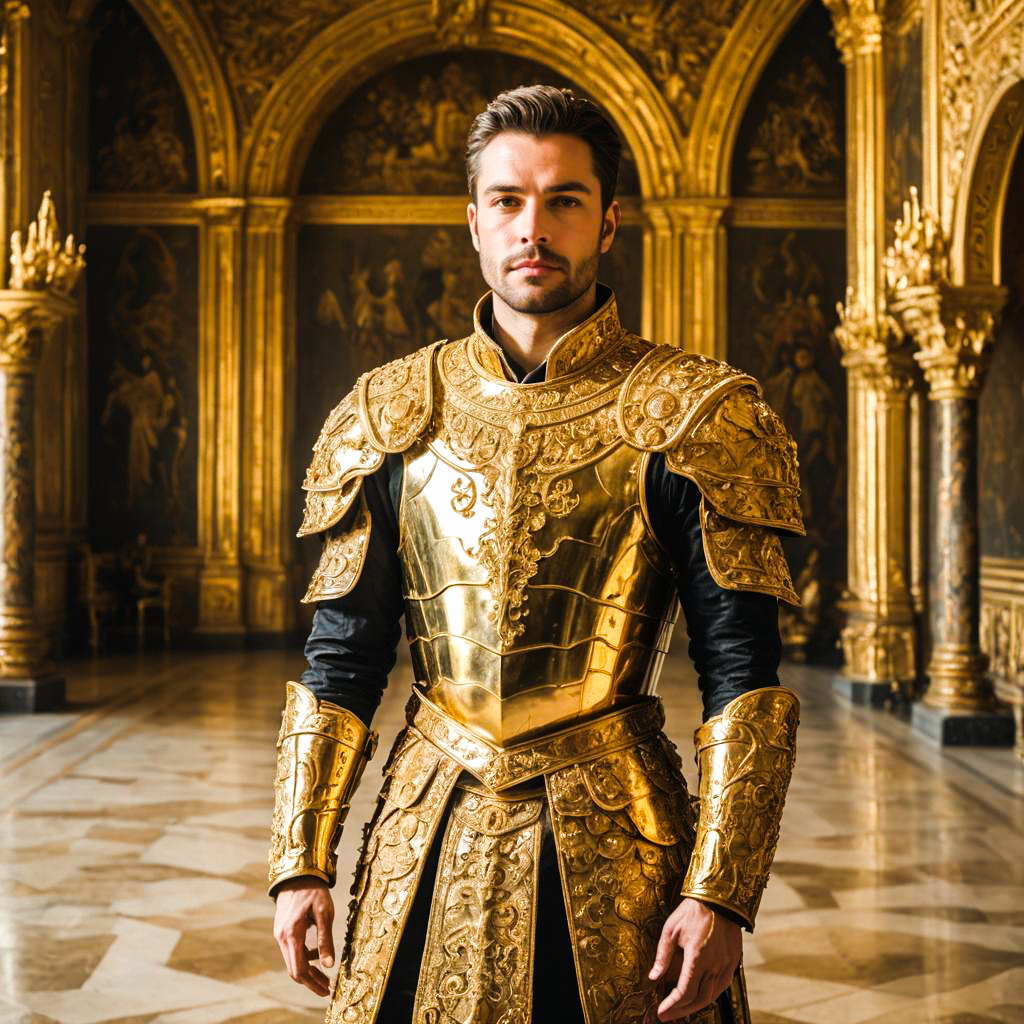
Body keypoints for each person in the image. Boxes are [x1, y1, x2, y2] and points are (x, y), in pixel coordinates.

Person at [269, 85, 803, 1024]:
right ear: (473, 221)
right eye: (509, 200)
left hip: (619, 830)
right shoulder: (394, 411)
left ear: (608, 220)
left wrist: (720, 891)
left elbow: (743, 675)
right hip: (425, 822)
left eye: (563, 200)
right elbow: (340, 661)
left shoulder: (692, 412)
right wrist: (298, 861)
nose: (534, 227)